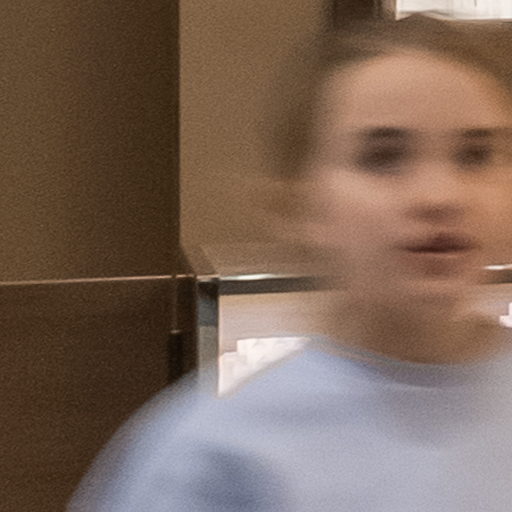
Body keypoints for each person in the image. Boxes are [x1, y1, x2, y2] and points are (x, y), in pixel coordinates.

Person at [68, 14, 512, 511]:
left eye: (476, 155)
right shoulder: (210, 456)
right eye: (383, 157)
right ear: (300, 206)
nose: (440, 196)